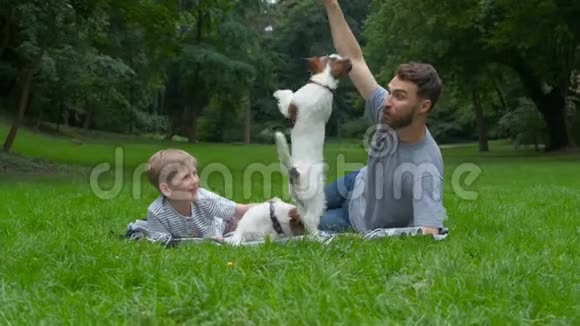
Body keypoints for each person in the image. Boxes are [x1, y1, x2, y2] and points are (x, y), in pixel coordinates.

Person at [319, 0, 446, 235]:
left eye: (399, 96)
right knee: (297, 208)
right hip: (357, 182)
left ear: (423, 106)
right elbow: (353, 60)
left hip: (357, 221)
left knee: (296, 224)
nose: (387, 102)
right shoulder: (387, 109)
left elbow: (431, 232)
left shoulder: (425, 168)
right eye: (390, 91)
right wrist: (331, 5)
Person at [143, 149, 253, 242]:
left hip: (226, 225)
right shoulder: (157, 213)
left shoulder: (203, 198)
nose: (195, 180)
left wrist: (267, 208)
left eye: (195, 173)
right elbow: (162, 243)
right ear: (167, 189)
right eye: (186, 177)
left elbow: (239, 210)